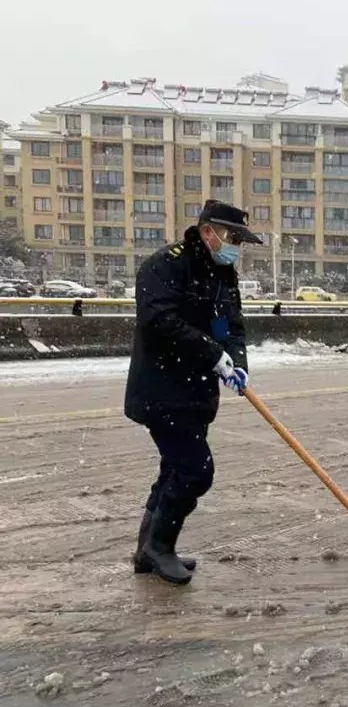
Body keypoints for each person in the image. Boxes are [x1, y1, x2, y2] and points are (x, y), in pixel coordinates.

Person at [124, 200, 261, 585]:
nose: (237, 245)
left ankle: (146, 551)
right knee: (195, 470)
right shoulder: (167, 264)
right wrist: (212, 354)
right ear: (208, 232)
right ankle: (159, 547)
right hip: (162, 390)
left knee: (174, 468)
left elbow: (232, 325)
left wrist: (237, 364)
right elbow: (159, 321)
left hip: (196, 395)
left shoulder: (222, 273)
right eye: (233, 237)